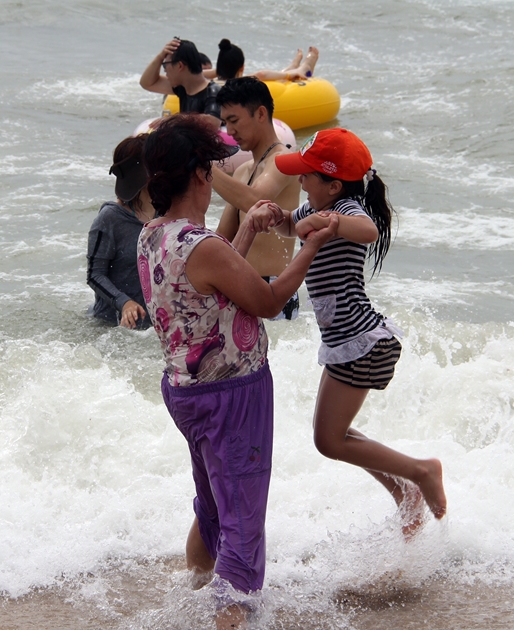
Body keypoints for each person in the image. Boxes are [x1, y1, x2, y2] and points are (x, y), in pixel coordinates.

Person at [138, 114, 338, 629]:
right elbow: (266, 301)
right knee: (243, 530)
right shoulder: (200, 245)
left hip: (184, 390)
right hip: (232, 396)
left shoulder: (154, 236)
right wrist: (310, 247)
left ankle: (193, 599)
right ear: (200, 176)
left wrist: (246, 228)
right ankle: (228, 615)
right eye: (212, 170)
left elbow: (212, 291)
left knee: (212, 511)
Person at [269, 128, 447, 536]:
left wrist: (329, 222)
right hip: (345, 344)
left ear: (333, 186)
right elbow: (290, 227)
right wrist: (275, 216)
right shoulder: (314, 206)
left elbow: (368, 231)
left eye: (307, 175)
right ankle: (405, 491)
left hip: (360, 342)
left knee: (330, 441)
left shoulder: (346, 209)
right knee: (331, 436)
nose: (300, 180)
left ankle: (421, 472)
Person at [211, 77, 302, 320]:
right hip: (239, 287)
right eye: (225, 123)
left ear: (261, 113)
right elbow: (223, 237)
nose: (229, 131)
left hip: (273, 290)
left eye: (234, 121)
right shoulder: (242, 171)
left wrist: (204, 168)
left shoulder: (285, 160)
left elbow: (256, 200)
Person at [86, 135, 154, 329]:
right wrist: (124, 303)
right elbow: (94, 275)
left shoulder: (167, 213)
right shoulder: (110, 219)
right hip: (110, 327)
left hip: (154, 327)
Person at [140, 38, 222, 128]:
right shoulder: (182, 88)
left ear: (180, 65)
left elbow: (213, 122)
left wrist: (174, 118)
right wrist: (160, 56)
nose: (165, 70)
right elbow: (147, 83)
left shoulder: (214, 91)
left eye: (165, 65)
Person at [207, 40, 320, 83]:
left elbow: (200, 73)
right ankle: (302, 68)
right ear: (242, 67)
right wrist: (289, 75)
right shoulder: (237, 84)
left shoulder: (208, 83)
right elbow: (262, 74)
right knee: (270, 81)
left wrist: (222, 69)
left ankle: (293, 66)